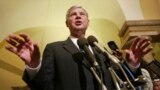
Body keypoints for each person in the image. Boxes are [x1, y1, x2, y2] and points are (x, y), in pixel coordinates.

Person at [5, 5, 152, 90]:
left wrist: (132, 64)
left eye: (82, 14)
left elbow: (119, 83)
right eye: (73, 14)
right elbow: (45, 87)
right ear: (67, 23)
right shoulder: (54, 49)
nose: (78, 16)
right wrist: (34, 65)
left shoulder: (101, 51)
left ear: (88, 22)